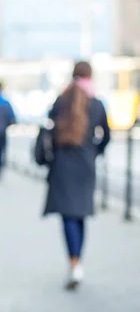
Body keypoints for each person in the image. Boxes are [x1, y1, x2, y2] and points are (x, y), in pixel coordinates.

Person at [43, 61, 110, 290]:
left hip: (62, 164)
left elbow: (48, 124)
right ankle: (77, 262)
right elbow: (106, 135)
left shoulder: (62, 99)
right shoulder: (97, 104)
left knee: (68, 216)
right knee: (80, 214)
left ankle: (74, 262)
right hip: (85, 164)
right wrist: (94, 152)